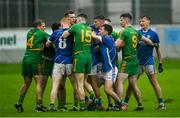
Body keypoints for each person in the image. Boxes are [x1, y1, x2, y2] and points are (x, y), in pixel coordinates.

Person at [122, 16, 166, 110]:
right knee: (132, 83)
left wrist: (160, 63)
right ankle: (125, 103)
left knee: (154, 82)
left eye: (143, 21)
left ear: (148, 21)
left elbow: (157, 49)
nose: (141, 22)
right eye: (140, 21)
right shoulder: (137, 33)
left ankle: (161, 104)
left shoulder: (154, 34)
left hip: (149, 61)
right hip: (137, 62)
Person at [115, 13, 154, 111]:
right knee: (133, 84)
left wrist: (110, 42)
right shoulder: (135, 31)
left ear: (125, 21)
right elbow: (147, 41)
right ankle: (140, 105)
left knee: (119, 82)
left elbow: (117, 45)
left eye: (121, 20)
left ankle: (118, 104)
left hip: (127, 60)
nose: (120, 22)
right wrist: (153, 44)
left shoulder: (124, 31)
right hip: (135, 60)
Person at [61, 13, 95, 111]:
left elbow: (64, 36)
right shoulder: (89, 28)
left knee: (79, 84)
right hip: (89, 56)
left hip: (79, 56)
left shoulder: (75, 26)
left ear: (79, 20)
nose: (75, 20)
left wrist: (66, 29)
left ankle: (83, 106)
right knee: (84, 81)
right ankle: (94, 98)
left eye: (76, 19)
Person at [14, 19, 49, 112]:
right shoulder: (42, 34)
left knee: (26, 83)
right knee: (39, 83)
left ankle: (19, 103)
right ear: (38, 26)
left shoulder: (29, 32)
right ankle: (39, 106)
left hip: (26, 59)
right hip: (34, 60)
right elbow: (51, 40)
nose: (44, 27)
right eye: (43, 26)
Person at [46, 17, 74, 111]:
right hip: (69, 62)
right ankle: (79, 105)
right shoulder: (72, 32)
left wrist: (53, 43)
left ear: (61, 24)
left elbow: (47, 44)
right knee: (76, 85)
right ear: (69, 24)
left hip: (58, 61)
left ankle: (52, 105)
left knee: (55, 85)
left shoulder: (56, 32)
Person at [92, 24, 122, 110]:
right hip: (105, 69)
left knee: (107, 90)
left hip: (111, 68)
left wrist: (90, 32)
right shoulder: (105, 40)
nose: (99, 31)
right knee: (95, 86)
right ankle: (101, 104)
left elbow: (94, 36)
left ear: (106, 32)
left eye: (101, 30)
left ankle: (120, 104)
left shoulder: (107, 38)